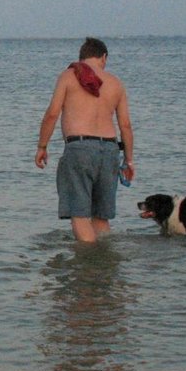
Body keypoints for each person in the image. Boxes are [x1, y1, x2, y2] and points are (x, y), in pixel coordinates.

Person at [35, 37, 135, 243]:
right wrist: (128, 160)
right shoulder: (116, 83)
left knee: (79, 214)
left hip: (79, 148)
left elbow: (52, 114)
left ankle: (88, 265)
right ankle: (105, 267)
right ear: (103, 57)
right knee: (101, 216)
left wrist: (42, 146)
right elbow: (125, 125)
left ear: (81, 57)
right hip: (109, 150)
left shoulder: (68, 76)